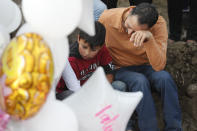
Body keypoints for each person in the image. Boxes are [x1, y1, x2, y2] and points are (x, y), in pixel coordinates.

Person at [99, 3, 182, 131]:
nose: (129, 32)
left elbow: (159, 66)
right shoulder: (107, 18)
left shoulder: (159, 24)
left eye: (136, 30)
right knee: (139, 81)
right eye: (128, 26)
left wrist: (150, 40)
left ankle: (174, 128)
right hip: (120, 67)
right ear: (130, 12)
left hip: (147, 66)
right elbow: (94, 47)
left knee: (165, 78)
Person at [56, 21, 126, 100]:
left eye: (93, 50)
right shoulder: (70, 59)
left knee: (119, 86)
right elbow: (70, 89)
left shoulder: (103, 51)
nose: (87, 53)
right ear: (78, 38)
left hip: (96, 88)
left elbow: (109, 74)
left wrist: (100, 90)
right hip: (76, 94)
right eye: (84, 47)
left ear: (101, 46)